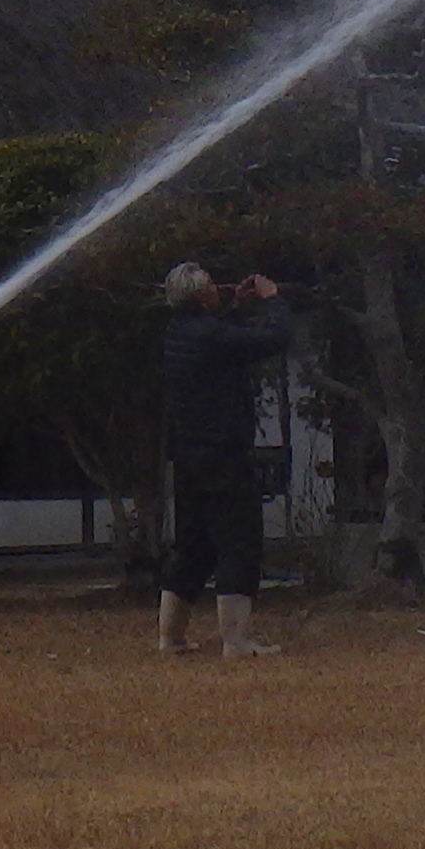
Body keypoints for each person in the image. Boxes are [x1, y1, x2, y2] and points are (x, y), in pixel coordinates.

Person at [155, 263, 292, 656]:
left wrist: (234, 307)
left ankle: (171, 637)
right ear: (200, 296)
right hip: (224, 456)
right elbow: (274, 339)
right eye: (212, 286)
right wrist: (273, 299)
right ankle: (236, 640)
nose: (217, 287)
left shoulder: (177, 331)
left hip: (189, 457)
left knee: (193, 545)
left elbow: (219, 341)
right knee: (238, 541)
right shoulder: (210, 335)